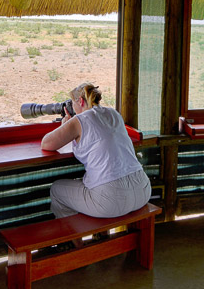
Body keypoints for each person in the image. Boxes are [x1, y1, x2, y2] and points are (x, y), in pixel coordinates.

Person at [40, 82, 150, 219]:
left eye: (73, 104)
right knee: (91, 186)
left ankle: (75, 233)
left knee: (57, 189)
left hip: (111, 200)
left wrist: (65, 124)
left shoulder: (79, 120)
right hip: (143, 190)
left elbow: (46, 144)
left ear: (80, 101)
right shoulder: (114, 113)